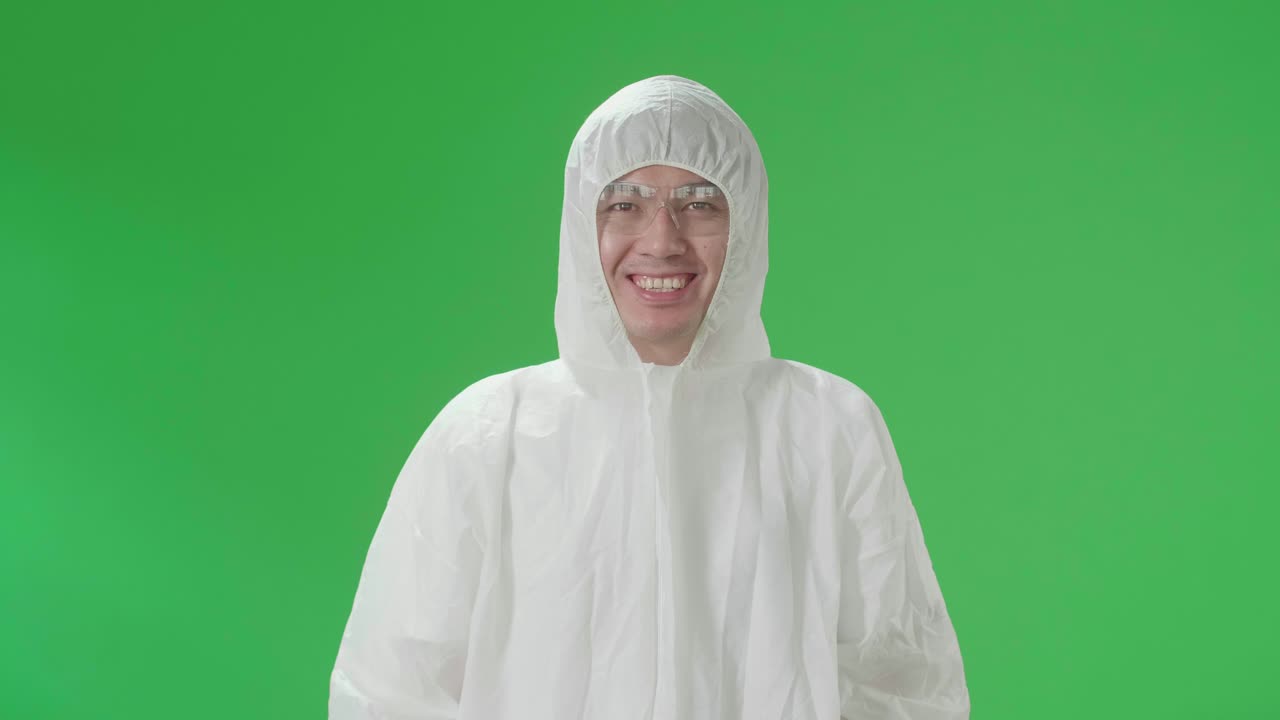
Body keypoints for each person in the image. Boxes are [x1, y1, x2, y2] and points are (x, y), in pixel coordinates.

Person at [329, 74, 970, 720]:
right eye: (624, 204)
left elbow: (903, 688)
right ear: (583, 225)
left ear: (744, 225)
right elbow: (391, 693)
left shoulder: (829, 430)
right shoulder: (487, 437)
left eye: (698, 203)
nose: (662, 239)